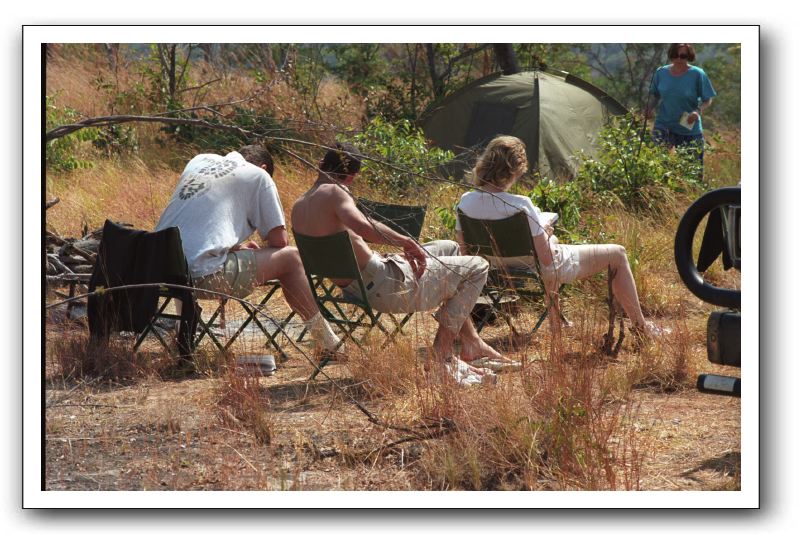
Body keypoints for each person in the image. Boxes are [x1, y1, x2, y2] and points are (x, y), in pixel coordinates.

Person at [291, 142, 512, 385]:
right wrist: (405, 242)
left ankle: (471, 343)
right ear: (352, 177)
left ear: (320, 164)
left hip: (356, 287)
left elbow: (351, 239)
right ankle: (441, 356)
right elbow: (363, 226)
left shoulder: (299, 206)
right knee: (478, 266)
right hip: (386, 287)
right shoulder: (335, 192)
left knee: (449, 247)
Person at [455, 135, 668, 338]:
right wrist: (546, 233)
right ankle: (641, 327)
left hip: (495, 270)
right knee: (618, 254)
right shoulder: (521, 205)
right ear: (515, 170)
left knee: (550, 255)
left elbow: (466, 254)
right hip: (537, 268)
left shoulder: (465, 202)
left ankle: (557, 323)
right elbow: (547, 260)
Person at [155, 143, 341, 356]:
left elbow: (197, 229)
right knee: (291, 258)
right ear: (264, 168)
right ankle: (329, 344)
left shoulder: (199, 160)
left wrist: (236, 247)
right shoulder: (259, 176)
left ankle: (181, 334)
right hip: (200, 277)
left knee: (186, 255)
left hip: (157, 271)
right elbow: (280, 242)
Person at [645, 43, 717, 176]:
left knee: (692, 173)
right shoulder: (661, 72)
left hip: (688, 128)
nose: (678, 59)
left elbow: (707, 99)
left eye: (683, 56)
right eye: (675, 55)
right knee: (656, 167)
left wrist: (697, 111)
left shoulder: (697, 74)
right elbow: (655, 95)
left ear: (689, 56)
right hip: (664, 125)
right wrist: (650, 107)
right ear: (670, 55)